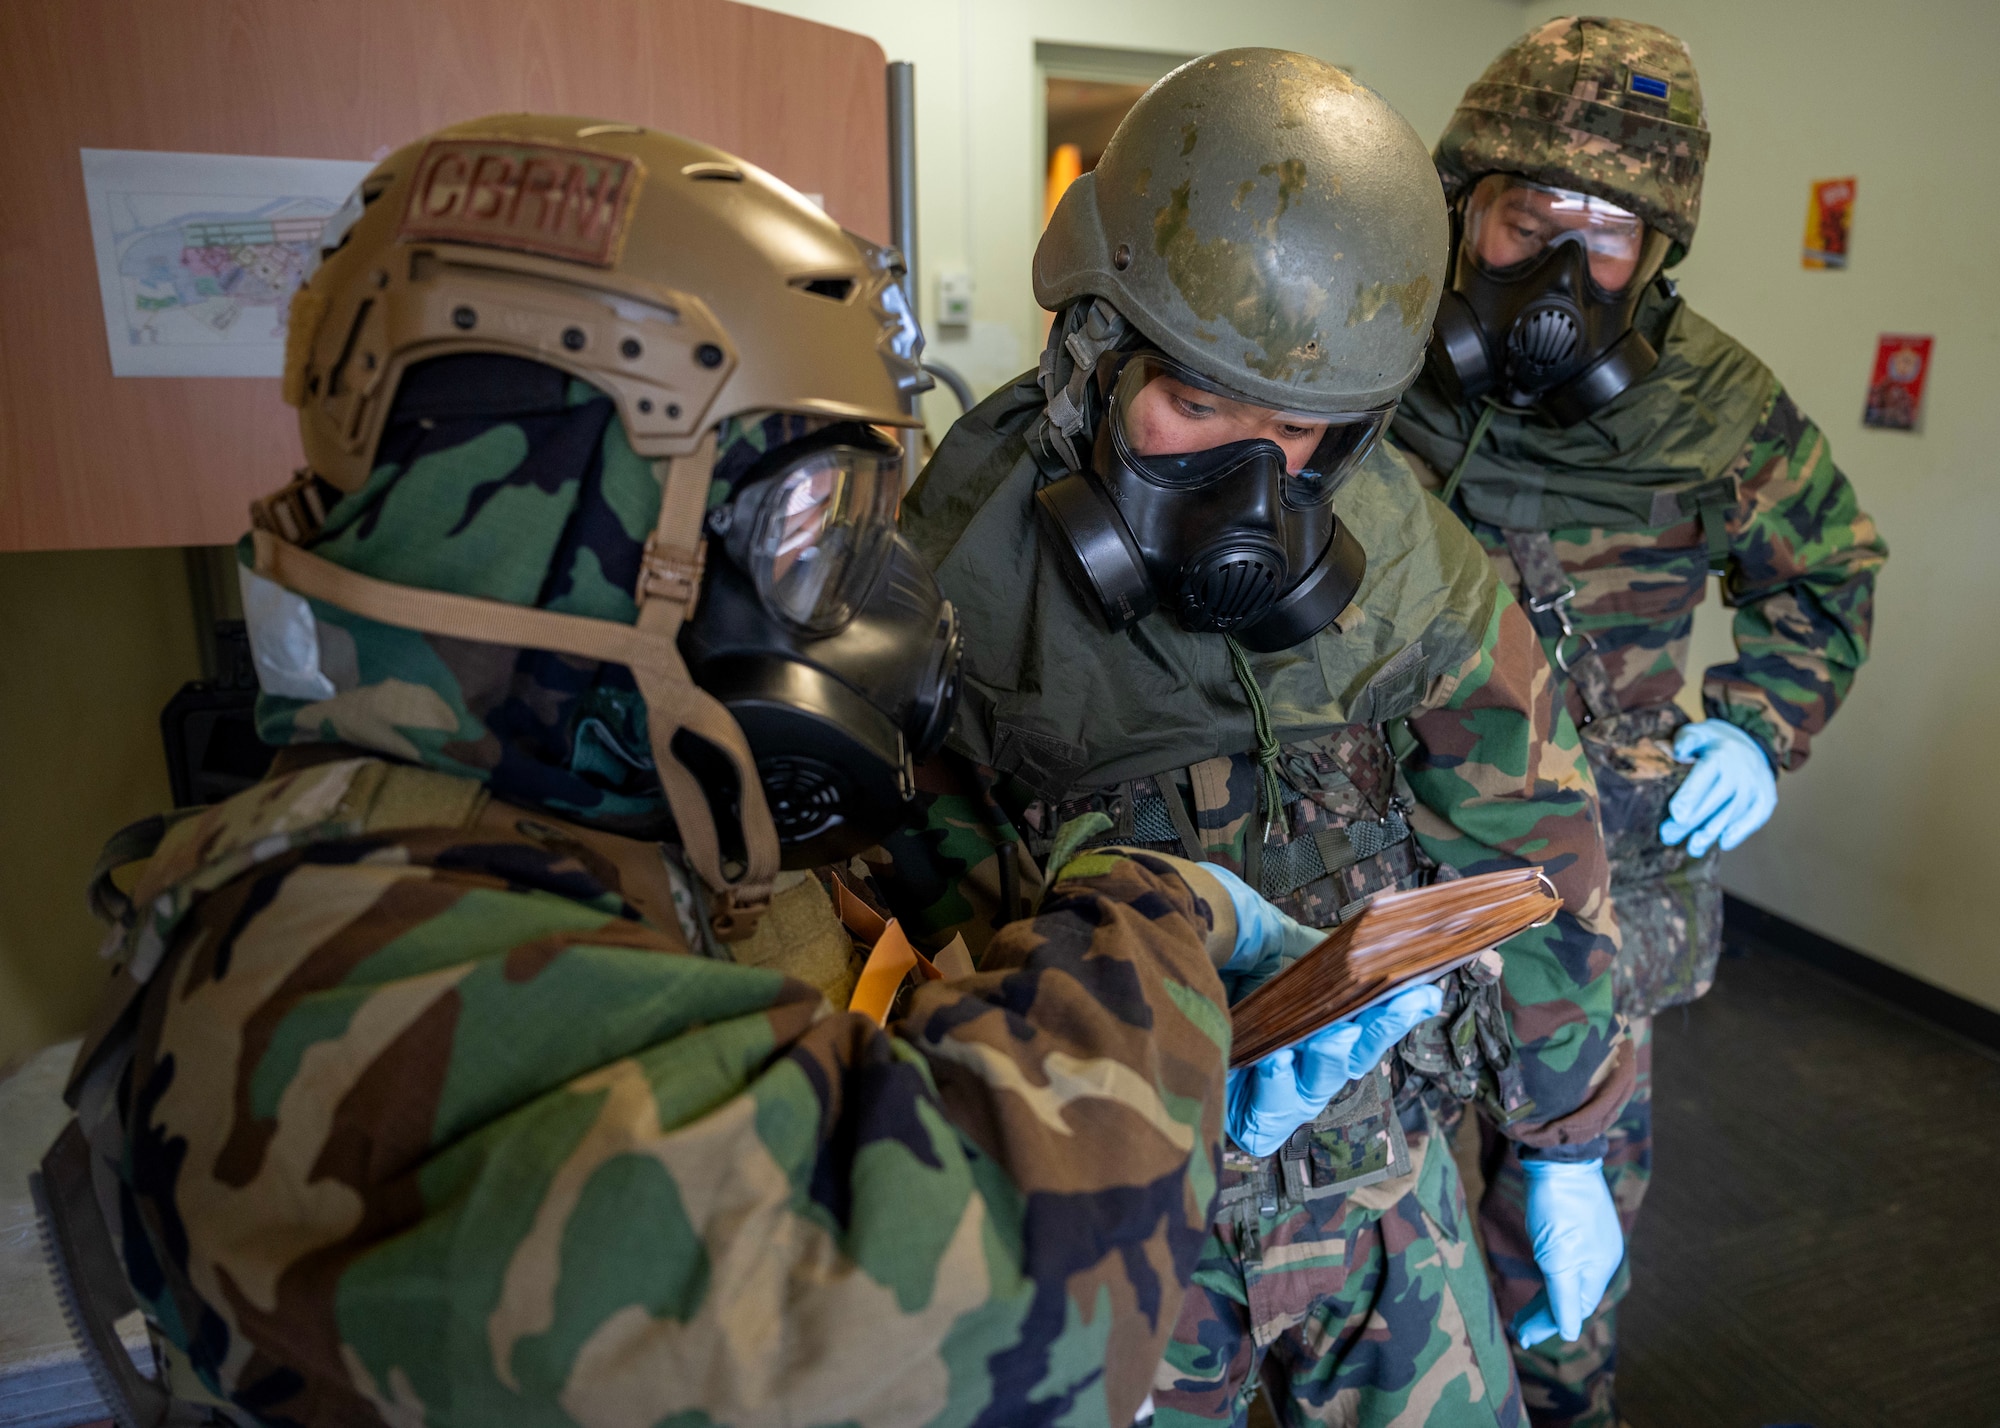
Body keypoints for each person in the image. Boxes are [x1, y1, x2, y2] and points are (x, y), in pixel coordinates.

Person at [34, 114, 1429, 1428]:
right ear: (568, 534)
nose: (876, 599)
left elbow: (810, 1055)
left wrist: (1154, 1076)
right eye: (811, 518)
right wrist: (1159, 930)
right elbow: (1007, 1324)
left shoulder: (604, 810)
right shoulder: (334, 976)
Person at [881, 51, 1631, 1427]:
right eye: (1196, 406)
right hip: (1118, 1195)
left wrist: (1564, 1139)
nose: (1245, 488)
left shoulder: (1398, 540)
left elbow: (1533, 823)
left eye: (1296, 432)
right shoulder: (951, 562)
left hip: (1380, 1179)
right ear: (1092, 349)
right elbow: (896, 903)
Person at [1389, 19, 1888, 1427]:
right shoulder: (1372, 349)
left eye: (1609, 240)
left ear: (1660, 253)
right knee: (1382, 1240)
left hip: (1592, 894)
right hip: (1376, 869)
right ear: (1459, 207)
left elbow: (1830, 576)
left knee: (1560, 1259)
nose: (1562, 272)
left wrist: (1760, 730)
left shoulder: (1719, 410)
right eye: (1529, 222)